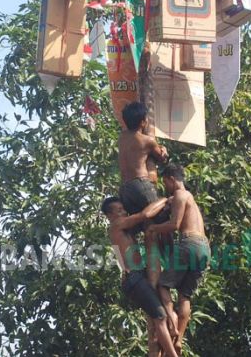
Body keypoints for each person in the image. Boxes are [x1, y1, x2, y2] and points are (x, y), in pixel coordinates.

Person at [102, 196, 179, 357]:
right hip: (133, 278)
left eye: (123, 209)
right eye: (119, 210)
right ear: (109, 216)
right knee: (160, 317)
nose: (123, 212)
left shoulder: (126, 229)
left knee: (163, 314)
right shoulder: (116, 225)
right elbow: (144, 215)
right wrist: (165, 199)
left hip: (139, 276)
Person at [146, 163, 210, 355]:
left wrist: (153, 229)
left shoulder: (182, 195)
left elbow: (174, 225)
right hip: (204, 248)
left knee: (163, 286)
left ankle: (172, 326)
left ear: (172, 180)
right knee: (185, 296)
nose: (166, 187)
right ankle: (179, 339)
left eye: (166, 183)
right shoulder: (190, 199)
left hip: (189, 243)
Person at [118, 101, 170, 287]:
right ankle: (170, 257)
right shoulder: (147, 141)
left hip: (125, 188)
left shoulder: (122, 137)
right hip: (141, 185)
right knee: (163, 219)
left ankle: (136, 268)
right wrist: (164, 150)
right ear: (142, 122)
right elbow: (161, 158)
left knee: (140, 227)